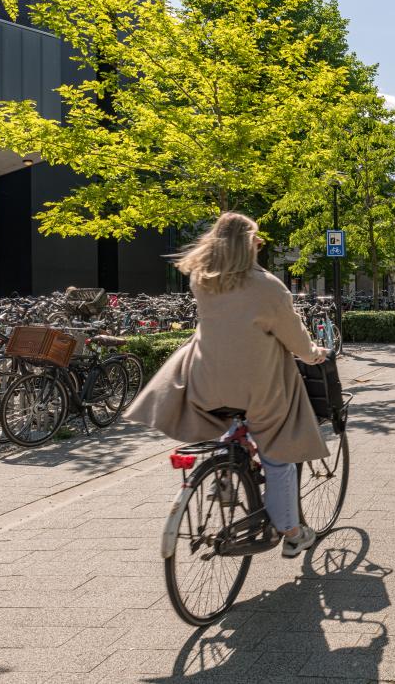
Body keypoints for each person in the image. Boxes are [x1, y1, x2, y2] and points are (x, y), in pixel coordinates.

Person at [127, 212, 328, 559]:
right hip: (258, 389)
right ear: (249, 243)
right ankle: (293, 534)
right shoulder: (268, 287)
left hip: (205, 382)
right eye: (257, 239)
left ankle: (225, 467)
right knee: (277, 455)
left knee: (230, 418)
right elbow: (295, 338)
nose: (260, 244)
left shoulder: (202, 280)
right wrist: (313, 354)